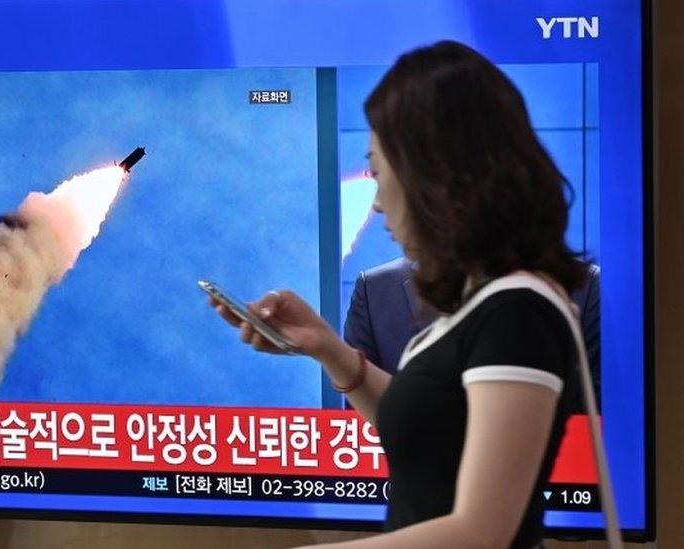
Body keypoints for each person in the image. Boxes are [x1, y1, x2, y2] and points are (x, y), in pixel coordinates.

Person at [209, 40, 587, 548]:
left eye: (380, 169)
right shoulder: (485, 305)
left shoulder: (517, 314)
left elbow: (481, 533)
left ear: (434, 174)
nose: (377, 199)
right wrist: (326, 346)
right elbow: (433, 431)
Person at [344, 256, 601, 409]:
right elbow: (359, 427)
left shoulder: (581, 288)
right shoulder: (375, 290)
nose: (377, 204)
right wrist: (327, 348)